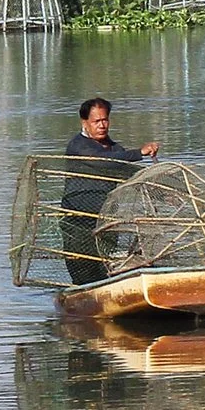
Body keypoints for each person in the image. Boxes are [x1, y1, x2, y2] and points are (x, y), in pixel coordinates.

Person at [60, 97, 159, 284]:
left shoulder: (116, 149)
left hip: (106, 220)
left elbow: (130, 175)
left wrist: (161, 192)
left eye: (105, 120)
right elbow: (104, 161)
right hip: (79, 221)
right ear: (85, 122)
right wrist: (139, 153)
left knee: (105, 269)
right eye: (96, 121)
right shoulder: (78, 146)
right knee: (84, 272)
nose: (102, 125)